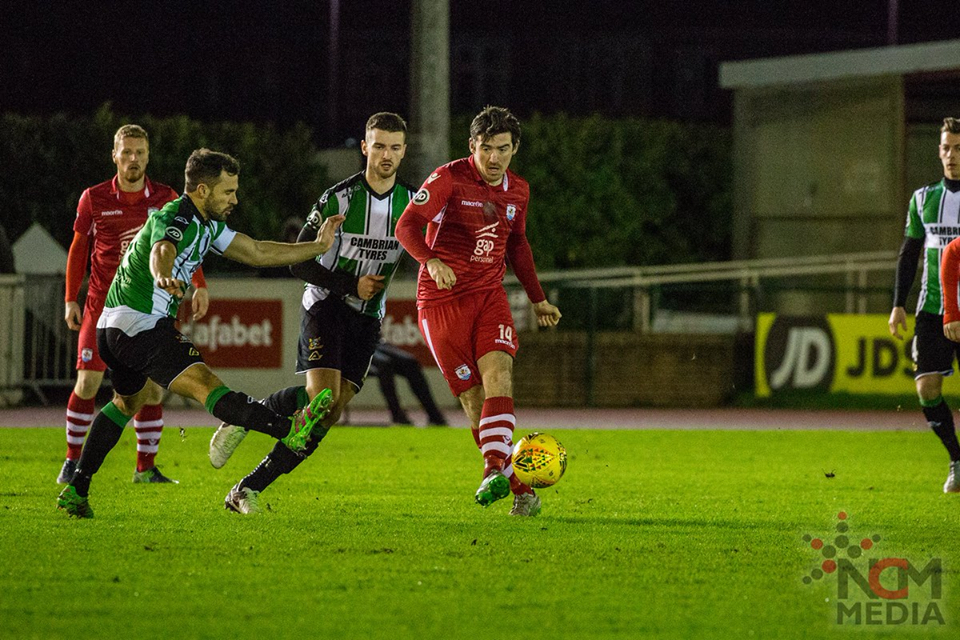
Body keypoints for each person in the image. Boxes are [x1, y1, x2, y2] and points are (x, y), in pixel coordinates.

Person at [56, 148, 344, 518]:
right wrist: (162, 274)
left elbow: (256, 251)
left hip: (112, 328)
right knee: (207, 385)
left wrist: (317, 247)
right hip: (140, 324)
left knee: (127, 403)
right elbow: (162, 248)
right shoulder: (177, 213)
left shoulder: (210, 226)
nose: (235, 200)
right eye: (228, 192)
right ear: (204, 190)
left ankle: (77, 490)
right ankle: (287, 427)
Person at [207, 112, 417, 514]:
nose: (386, 155)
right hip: (326, 304)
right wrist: (347, 285)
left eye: (394, 147)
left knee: (328, 412)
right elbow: (298, 262)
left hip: (367, 317)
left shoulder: (412, 203)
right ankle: (244, 423)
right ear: (364, 148)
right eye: (378, 146)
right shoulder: (339, 197)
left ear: (404, 151)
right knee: (322, 398)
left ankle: (246, 485)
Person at [394, 105, 561, 517]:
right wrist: (430, 260)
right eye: (486, 148)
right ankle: (519, 486)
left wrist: (538, 298)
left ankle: (492, 470)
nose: (494, 158)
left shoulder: (518, 191)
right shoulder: (448, 178)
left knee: (499, 375)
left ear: (514, 149)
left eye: (503, 149)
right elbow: (406, 226)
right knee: (472, 399)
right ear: (472, 146)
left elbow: (517, 245)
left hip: (489, 295)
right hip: (442, 302)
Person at [58, 124, 210, 486]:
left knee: (153, 387)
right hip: (101, 306)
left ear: (148, 156)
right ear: (114, 155)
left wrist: (200, 284)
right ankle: (71, 461)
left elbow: (187, 242)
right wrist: (70, 299)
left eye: (140, 152)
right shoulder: (93, 199)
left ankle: (145, 468)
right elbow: (79, 251)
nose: (133, 159)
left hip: (146, 304)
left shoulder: (166, 198)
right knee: (88, 383)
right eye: (126, 152)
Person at [890, 116, 960, 494]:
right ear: (938, 151)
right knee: (927, 388)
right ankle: (957, 460)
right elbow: (909, 253)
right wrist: (898, 304)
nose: (952, 155)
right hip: (933, 310)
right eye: (946, 148)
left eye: (959, 148)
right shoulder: (923, 198)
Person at [369, 341, 447, 426]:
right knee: (384, 364)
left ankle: (434, 415)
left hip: (375, 344)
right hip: (356, 348)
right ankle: (398, 416)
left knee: (411, 362)